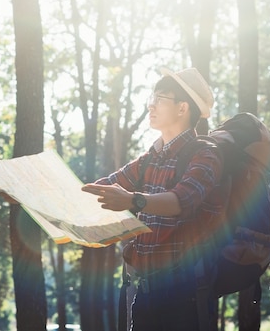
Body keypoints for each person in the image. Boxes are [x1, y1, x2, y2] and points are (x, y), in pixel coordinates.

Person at [82, 67, 224, 331]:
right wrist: (28, 199)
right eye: (152, 97)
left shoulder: (205, 156)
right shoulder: (149, 159)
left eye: (160, 98)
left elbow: (181, 201)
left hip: (182, 295)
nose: (151, 105)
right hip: (140, 289)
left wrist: (133, 201)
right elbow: (100, 189)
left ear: (183, 109)